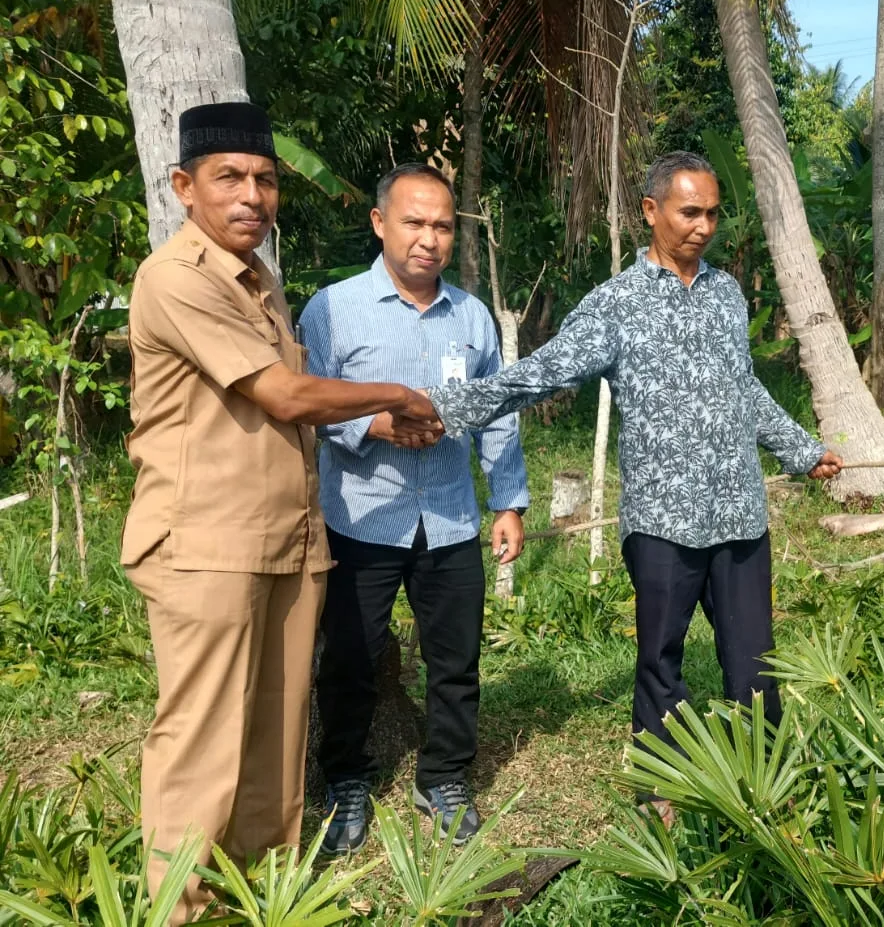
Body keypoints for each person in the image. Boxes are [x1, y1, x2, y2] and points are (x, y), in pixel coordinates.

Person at [424, 151, 843, 824]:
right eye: (689, 212)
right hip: (661, 522)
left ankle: (767, 783)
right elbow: (545, 371)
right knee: (660, 660)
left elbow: (745, 391)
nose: (703, 226)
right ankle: (661, 786)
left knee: (755, 668)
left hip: (739, 515)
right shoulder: (616, 304)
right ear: (650, 211)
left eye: (712, 212)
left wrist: (802, 449)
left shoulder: (727, 293)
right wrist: (450, 408)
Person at [121, 102, 440, 924]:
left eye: (265, 179)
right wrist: (397, 391)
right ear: (184, 186)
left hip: (288, 543)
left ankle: (258, 896)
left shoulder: (258, 283)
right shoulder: (177, 277)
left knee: (275, 735)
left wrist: (370, 419)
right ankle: (177, 909)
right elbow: (286, 394)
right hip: (204, 544)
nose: (252, 195)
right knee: (201, 742)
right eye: (229, 177)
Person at [297, 163, 530, 854]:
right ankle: (345, 780)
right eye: (414, 222)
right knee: (350, 658)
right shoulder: (334, 309)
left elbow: (497, 413)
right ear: (379, 224)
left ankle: (446, 778)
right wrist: (375, 424)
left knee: (455, 659)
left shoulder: (471, 316)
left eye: (442, 225)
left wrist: (508, 501)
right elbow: (308, 398)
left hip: (452, 517)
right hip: (362, 517)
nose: (428, 238)